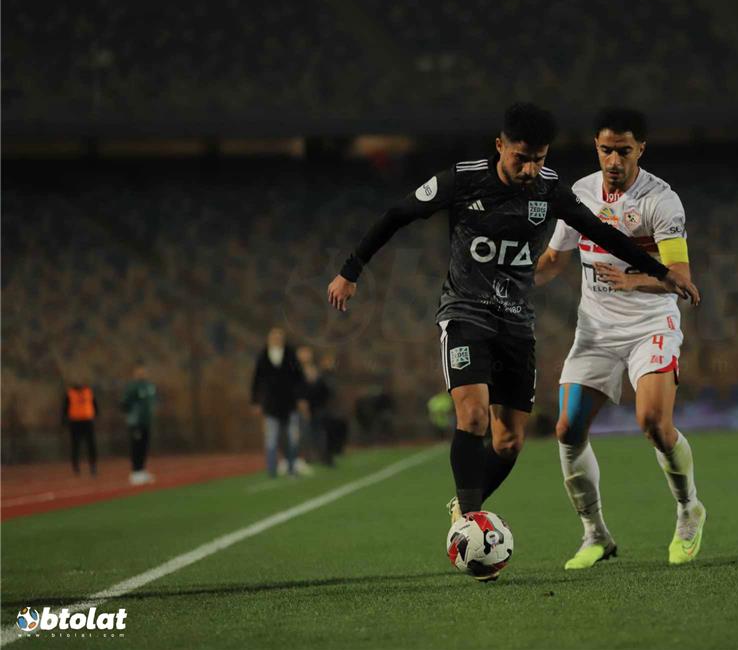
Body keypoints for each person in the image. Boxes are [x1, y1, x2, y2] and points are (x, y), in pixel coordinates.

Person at [328, 103, 697, 579]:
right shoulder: (464, 180)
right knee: (474, 416)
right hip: (466, 313)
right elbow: (398, 213)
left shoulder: (551, 189)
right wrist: (351, 271)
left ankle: (470, 512)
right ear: (500, 146)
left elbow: (602, 233)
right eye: (521, 158)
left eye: (538, 159)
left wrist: (660, 272)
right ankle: (470, 519)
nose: (529, 170)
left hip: (517, 325)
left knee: (508, 441)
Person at [535, 107, 706, 569]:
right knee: (568, 429)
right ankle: (596, 534)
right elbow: (553, 261)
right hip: (596, 329)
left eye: (624, 151)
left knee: (653, 423)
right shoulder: (579, 194)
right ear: (596, 146)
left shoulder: (661, 201)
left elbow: (680, 277)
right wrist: (509, 279)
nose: (614, 160)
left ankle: (688, 509)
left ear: (640, 150)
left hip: (651, 325)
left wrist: (635, 281)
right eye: (606, 150)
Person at [251, 327, 308, 478]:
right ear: (269, 339)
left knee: (292, 438)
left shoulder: (290, 355)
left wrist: (301, 398)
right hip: (271, 405)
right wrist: (255, 401)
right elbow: (256, 380)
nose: (276, 340)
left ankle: (292, 468)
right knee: (271, 439)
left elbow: (299, 378)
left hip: (290, 404)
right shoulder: (263, 356)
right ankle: (271, 470)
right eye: (273, 337)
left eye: (279, 337)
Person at [121, 361, 157, 485]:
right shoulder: (132, 387)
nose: (141, 373)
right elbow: (124, 403)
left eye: (143, 370)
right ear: (134, 372)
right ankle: (135, 472)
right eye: (139, 370)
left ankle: (142, 470)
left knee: (144, 446)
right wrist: (133, 414)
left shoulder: (149, 386)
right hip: (136, 422)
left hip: (146, 421)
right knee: (136, 446)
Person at [62, 378, 98, 476]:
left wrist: (95, 416)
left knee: (91, 445)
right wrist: (64, 421)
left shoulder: (89, 392)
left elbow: (95, 405)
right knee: (75, 445)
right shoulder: (70, 393)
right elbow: (65, 408)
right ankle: (76, 466)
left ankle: (93, 465)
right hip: (75, 422)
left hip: (87, 421)